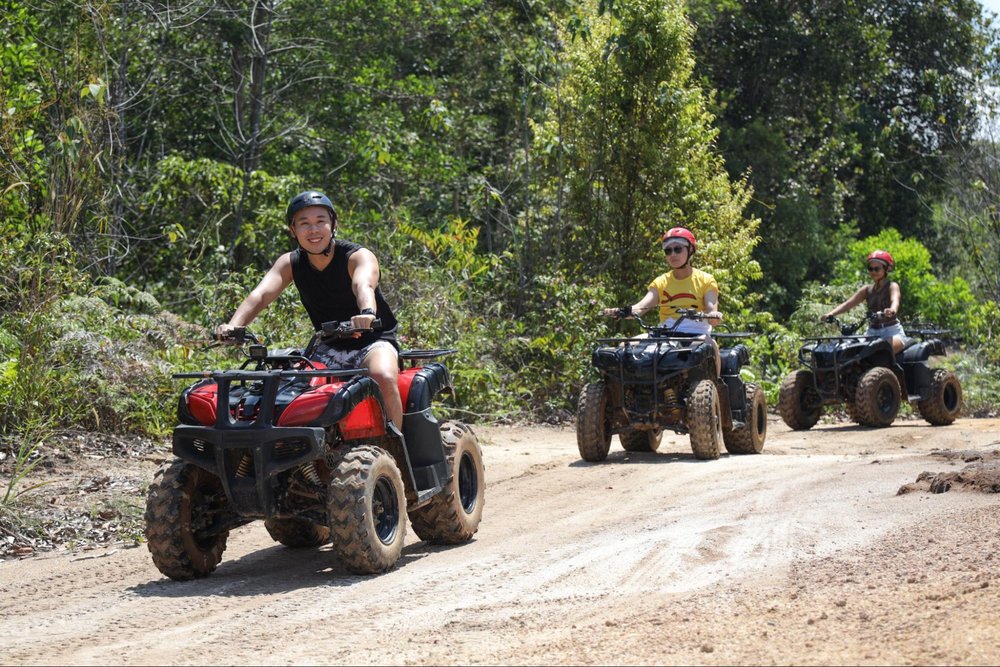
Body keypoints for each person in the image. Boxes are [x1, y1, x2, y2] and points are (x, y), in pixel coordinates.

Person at [215, 190, 403, 427]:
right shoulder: (290, 263)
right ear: (293, 230)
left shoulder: (357, 256)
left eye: (320, 221)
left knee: (382, 376)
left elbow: (362, 284)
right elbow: (261, 295)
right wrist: (234, 326)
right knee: (286, 389)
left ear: (333, 224)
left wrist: (366, 314)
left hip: (372, 342)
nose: (313, 230)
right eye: (304, 224)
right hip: (325, 346)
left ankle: (393, 448)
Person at [602, 227, 724, 374]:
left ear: (691, 250)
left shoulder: (706, 280)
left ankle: (717, 388)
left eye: (678, 249)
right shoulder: (660, 282)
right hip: (664, 334)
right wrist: (621, 312)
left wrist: (714, 316)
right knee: (624, 347)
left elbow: (712, 311)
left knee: (712, 347)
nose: (673, 254)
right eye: (668, 251)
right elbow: (640, 308)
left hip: (696, 333)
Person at [820, 249, 906, 354]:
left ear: (886, 269)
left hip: (892, 332)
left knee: (881, 352)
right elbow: (848, 304)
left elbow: (895, 300)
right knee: (850, 353)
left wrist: (892, 310)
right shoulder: (867, 289)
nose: (873, 272)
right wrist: (831, 314)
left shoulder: (892, 286)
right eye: (870, 269)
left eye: (877, 269)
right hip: (872, 332)